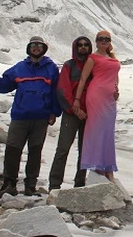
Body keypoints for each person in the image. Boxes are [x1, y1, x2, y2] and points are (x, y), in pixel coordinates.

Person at [0, 36, 60, 198]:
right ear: (29, 48)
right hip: (20, 116)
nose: (36, 48)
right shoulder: (20, 67)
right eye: (33, 45)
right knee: (13, 149)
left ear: (44, 48)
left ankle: (30, 186)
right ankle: (9, 184)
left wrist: (54, 112)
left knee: (35, 151)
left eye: (39, 46)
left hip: (41, 117)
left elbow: (56, 91)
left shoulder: (51, 68)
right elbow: (6, 84)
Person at [72, 30, 120, 182]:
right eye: (101, 39)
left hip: (110, 100)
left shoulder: (112, 57)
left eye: (107, 39)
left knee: (108, 132)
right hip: (96, 96)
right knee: (97, 131)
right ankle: (99, 167)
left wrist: (116, 89)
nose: (104, 41)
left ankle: (108, 167)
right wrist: (77, 100)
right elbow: (83, 79)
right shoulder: (92, 58)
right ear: (97, 41)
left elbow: (114, 77)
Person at [48, 36, 92, 191]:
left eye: (86, 45)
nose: (83, 47)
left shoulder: (94, 65)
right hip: (71, 113)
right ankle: (54, 185)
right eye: (80, 45)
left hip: (90, 115)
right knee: (63, 149)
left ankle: (80, 184)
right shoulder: (69, 65)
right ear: (75, 47)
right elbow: (62, 89)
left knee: (85, 151)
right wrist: (75, 109)